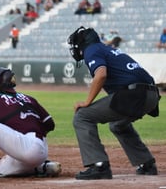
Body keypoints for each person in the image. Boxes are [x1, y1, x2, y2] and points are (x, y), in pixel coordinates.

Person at [67, 26, 160, 180]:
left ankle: (98, 166)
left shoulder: (91, 50)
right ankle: (146, 163)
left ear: (82, 43)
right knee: (118, 124)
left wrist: (87, 102)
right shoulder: (107, 49)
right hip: (152, 95)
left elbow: (101, 75)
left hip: (135, 95)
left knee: (82, 116)